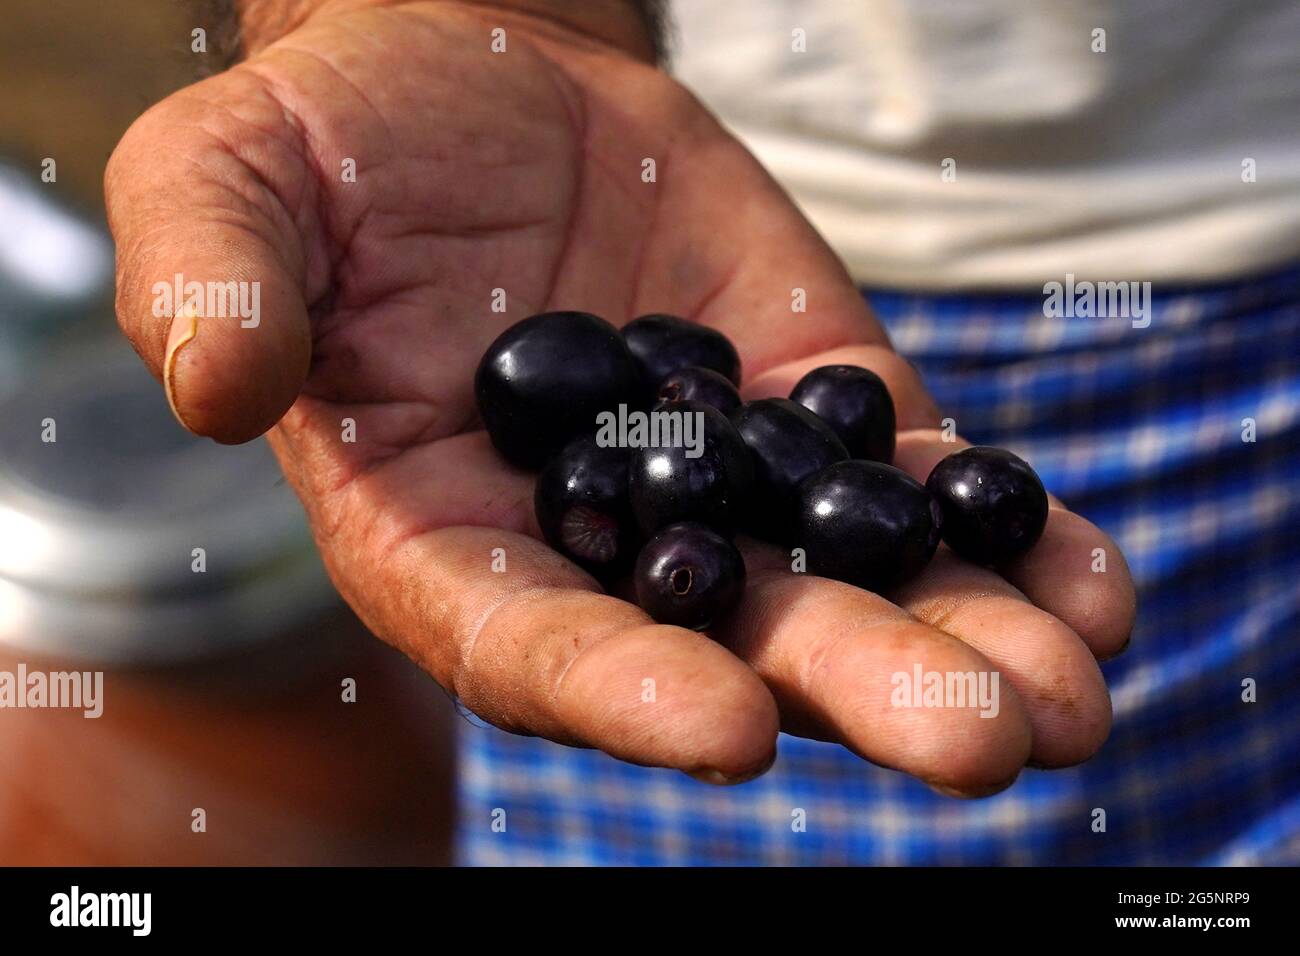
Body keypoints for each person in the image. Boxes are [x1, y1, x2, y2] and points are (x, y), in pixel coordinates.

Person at [104, 0, 1298, 865]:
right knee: (666, 700)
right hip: (680, 208)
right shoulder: (642, 446)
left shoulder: (728, 443)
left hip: (1246, 272)